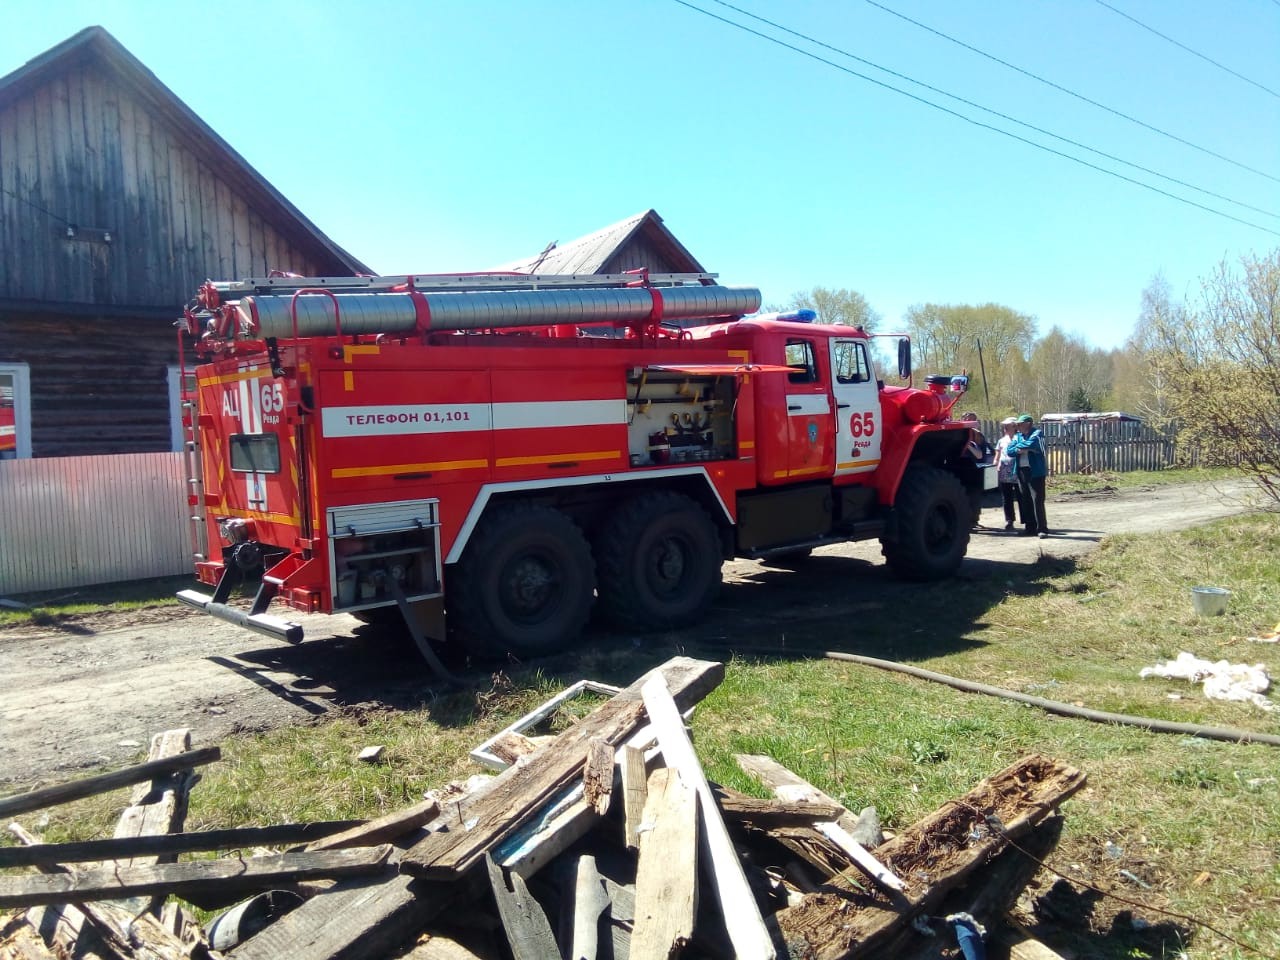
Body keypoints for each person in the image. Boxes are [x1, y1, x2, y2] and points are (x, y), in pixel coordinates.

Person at [1007, 413, 1049, 538]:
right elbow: (1009, 451)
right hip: (1021, 471)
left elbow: (1034, 444)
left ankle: (1042, 528)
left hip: (1035, 472)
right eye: (1016, 425)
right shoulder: (1018, 436)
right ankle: (1029, 527)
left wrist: (1021, 447)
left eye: (1019, 424)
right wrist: (1022, 449)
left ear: (1028, 424)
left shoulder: (1037, 433)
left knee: (1037, 500)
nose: (1017, 427)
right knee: (1025, 499)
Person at [959, 412, 994, 528]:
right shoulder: (957, 434)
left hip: (974, 468)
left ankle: (974, 520)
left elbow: (980, 455)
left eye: (973, 420)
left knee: (974, 495)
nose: (971, 422)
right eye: (968, 419)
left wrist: (968, 445)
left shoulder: (978, 436)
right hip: (959, 468)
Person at [994, 417, 1025, 532]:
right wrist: (995, 465)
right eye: (1004, 426)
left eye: (1008, 426)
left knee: (1021, 496)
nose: (1005, 428)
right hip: (1004, 472)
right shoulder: (1001, 440)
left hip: (1018, 471)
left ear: (1015, 427)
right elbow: (997, 456)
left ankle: (1026, 520)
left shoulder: (1020, 439)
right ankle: (1009, 520)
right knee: (1006, 498)